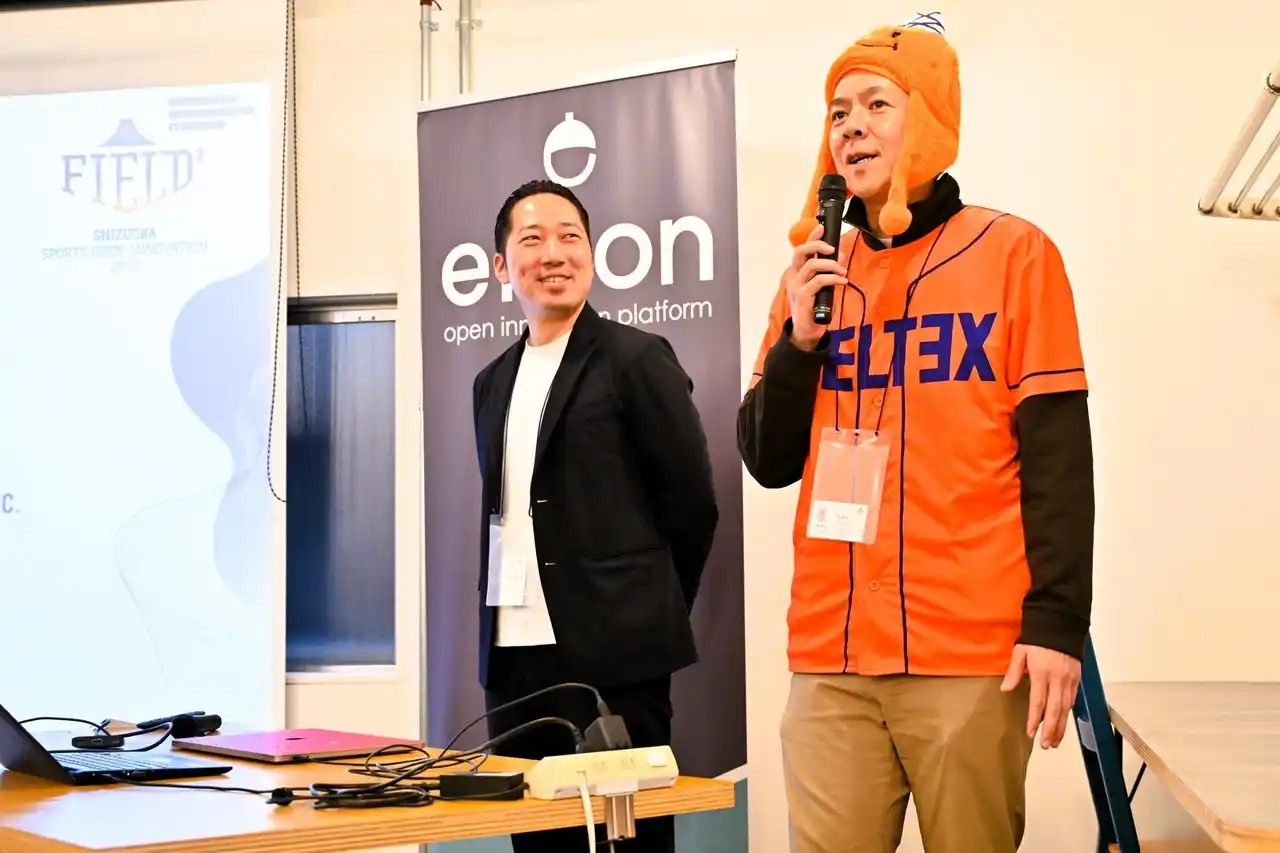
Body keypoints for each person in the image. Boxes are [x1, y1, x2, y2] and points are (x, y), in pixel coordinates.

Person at [737, 14, 1094, 853]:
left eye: (876, 105)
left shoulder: (1016, 255)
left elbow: (1058, 460)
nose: (851, 127)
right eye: (838, 112)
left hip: (969, 652)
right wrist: (799, 343)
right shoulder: (809, 278)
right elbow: (767, 458)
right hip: (831, 654)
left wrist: (1056, 623)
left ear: (928, 119)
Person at [471, 179, 719, 853]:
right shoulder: (490, 382)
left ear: (591, 253)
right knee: (537, 839)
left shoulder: (635, 359)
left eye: (570, 237)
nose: (554, 253)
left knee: (628, 842)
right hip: (514, 658)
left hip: (616, 655)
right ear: (501, 266)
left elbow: (692, 504)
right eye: (532, 239)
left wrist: (646, 608)